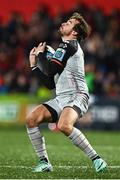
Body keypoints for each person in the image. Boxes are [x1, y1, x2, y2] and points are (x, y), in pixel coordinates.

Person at [26, 12, 107, 173]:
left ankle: (97, 159)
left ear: (75, 32)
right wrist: (34, 66)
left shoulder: (69, 45)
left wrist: (41, 55)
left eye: (69, 22)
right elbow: (50, 84)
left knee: (63, 125)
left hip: (77, 95)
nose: (64, 23)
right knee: (31, 119)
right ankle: (44, 162)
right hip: (62, 98)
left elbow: (49, 71)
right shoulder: (63, 50)